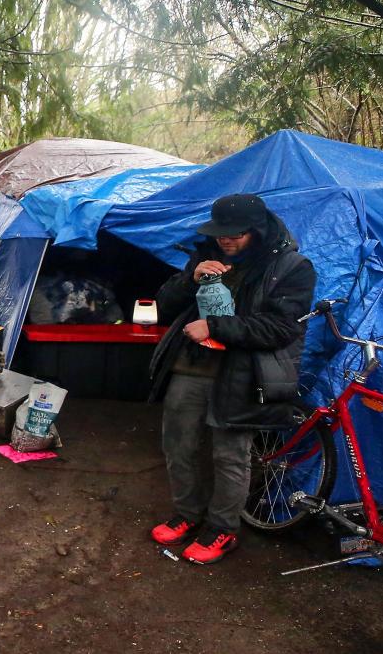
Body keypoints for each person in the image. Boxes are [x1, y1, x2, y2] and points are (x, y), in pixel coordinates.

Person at [148, 193, 316, 564]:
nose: (226, 240)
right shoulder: (208, 255)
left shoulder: (291, 267)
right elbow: (163, 305)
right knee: (178, 445)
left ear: (257, 229)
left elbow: (281, 328)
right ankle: (187, 515)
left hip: (243, 374)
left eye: (235, 234)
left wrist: (215, 326)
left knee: (229, 455)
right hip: (191, 367)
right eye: (220, 232)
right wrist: (190, 280)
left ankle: (222, 528)